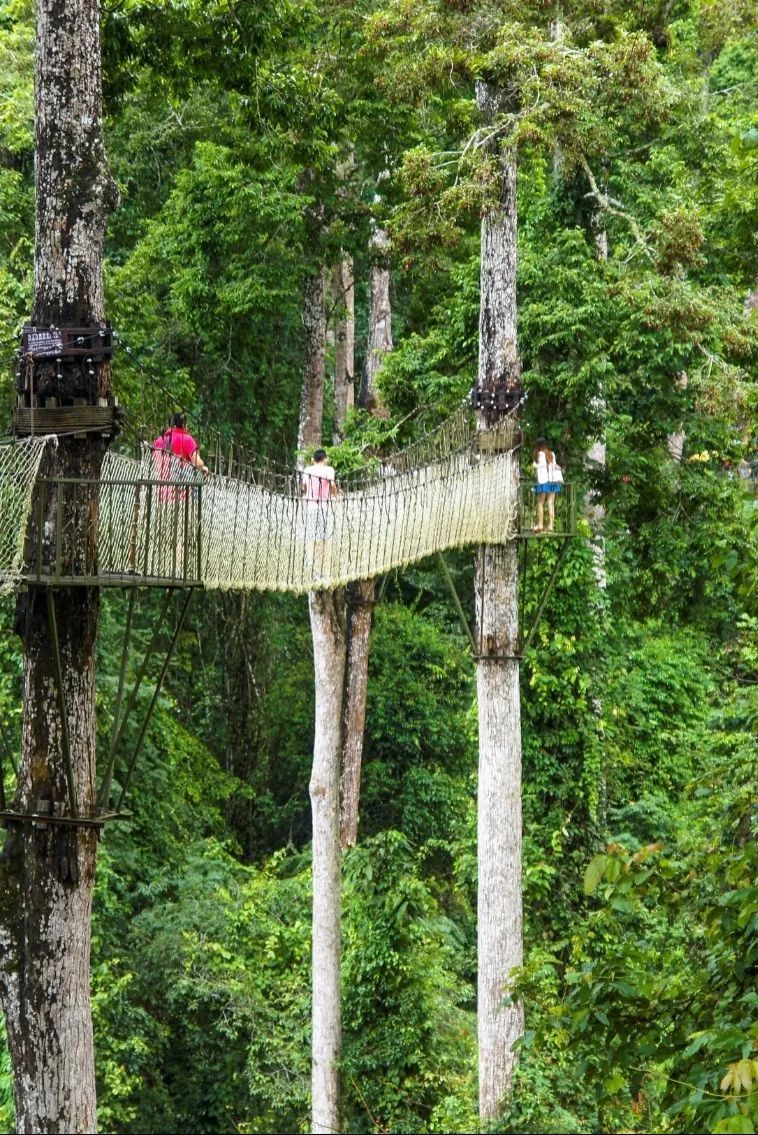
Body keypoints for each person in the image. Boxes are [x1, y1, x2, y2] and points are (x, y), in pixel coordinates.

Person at [300, 449, 338, 582]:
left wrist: (307, 494)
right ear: (325, 459)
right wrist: (336, 495)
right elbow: (332, 484)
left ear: (313, 459)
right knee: (324, 539)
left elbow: (304, 487)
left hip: (311, 507)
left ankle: (310, 560)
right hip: (324, 508)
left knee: (310, 535)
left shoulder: (307, 470)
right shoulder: (329, 470)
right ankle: (321, 572)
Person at [153, 413, 209, 477]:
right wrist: (202, 467)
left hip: (159, 483)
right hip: (180, 484)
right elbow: (198, 463)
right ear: (183, 425)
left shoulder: (159, 440)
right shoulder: (187, 439)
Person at [532, 437, 562, 532]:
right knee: (550, 503)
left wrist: (534, 464)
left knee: (540, 503)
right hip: (552, 481)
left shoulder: (540, 454)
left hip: (543, 481)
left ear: (538, 446)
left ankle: (540, 524)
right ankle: (551, 525)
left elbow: (539, 466)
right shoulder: (551, 454)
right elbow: (553, 465)